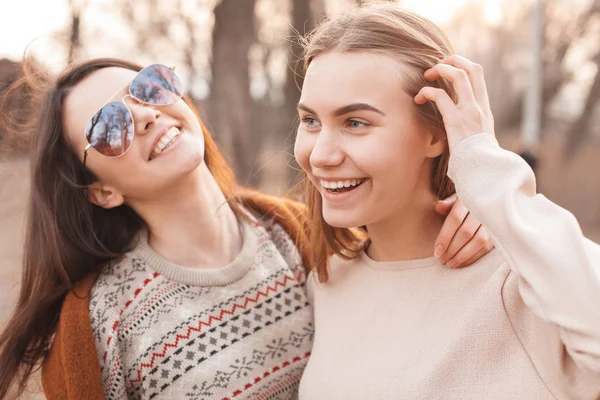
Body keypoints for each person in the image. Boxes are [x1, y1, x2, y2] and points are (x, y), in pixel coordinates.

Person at [0, 58, 491, 399]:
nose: (146, 114)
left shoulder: (302, 235)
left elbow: (410, 298)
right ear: (101, 191)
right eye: (109, 126)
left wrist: (474, 208)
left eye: (148, 87)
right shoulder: (99, 322)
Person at [295, 4, 600, 399]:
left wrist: (486, 174)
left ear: (437, 134)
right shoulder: (327, 281)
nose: (320, 155)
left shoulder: (519, 284)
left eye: (356, 123)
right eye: (310, 121)